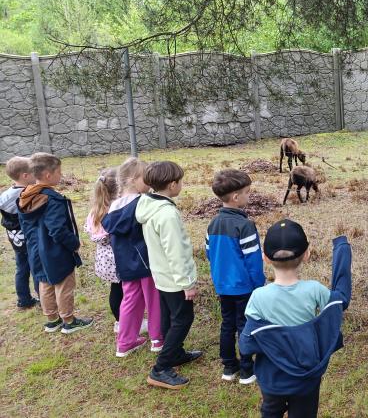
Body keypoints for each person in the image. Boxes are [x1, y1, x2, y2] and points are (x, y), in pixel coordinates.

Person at [239, 219, 352, 418]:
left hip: (272, 378)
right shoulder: (314, 290)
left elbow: (246, 344)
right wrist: (342, 249)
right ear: (307, 254)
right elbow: (340, 301)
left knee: (271, 411)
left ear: (265, 258)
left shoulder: (258, 296)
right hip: (306, 377)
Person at [136, 161, 201, 389]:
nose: (181, 185)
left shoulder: (148, 204)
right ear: (173, 185)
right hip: (175, 279)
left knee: (168, 317)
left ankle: (176, 353)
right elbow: (176, 251)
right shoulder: (167, 214)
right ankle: (160, 369)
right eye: (180, 181)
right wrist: (187, 283)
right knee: (183, 319)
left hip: (161, 275)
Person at [17, 153, 93, 333]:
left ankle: (52, 319)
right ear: (48, 175)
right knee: (64, 283)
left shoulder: (26, 196)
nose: (61, 175)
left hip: (35, 250)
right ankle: (69, 320)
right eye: (59, 172)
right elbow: (57, 229)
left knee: (44, 282)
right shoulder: (52, 199)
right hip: (55, 251)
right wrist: (74, 243)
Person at [206, 169, 265, 384]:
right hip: (244, 287)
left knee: (227, 324)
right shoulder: (245, 226)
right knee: (245, 326)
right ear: (236, 197)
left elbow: (209, 253)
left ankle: (229, 368)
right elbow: (253, 261)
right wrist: (258, 285)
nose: (250, 196)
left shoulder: (213, 223)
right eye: (248, 192)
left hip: (223, 286)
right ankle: (247, 370)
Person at [102, 157, 162, 357]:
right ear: (133, 179)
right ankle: (158, 339)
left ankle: (125, 342)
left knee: (130, 300)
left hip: (125, 264)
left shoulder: (114, 206)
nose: (151, 182)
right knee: (154, 299)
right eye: (146, 177)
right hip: (147, 261)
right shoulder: (143, 202)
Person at [84, 168, 123, 332]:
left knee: (116, 290)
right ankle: (124, 322)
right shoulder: (117, 209)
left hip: (105, 259)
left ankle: (120, 321)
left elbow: (90, 231)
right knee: (124, 291)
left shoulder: (95, 210)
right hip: (119, 258)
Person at [0, 156, 39, 309]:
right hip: (29, 238)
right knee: (36, 267)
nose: (36, 175)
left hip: (15, 238)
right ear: (25, 176)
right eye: (34, 172)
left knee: (21, 267)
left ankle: (23, 300)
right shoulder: (27, 194)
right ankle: (44, 298)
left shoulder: (4, 195)